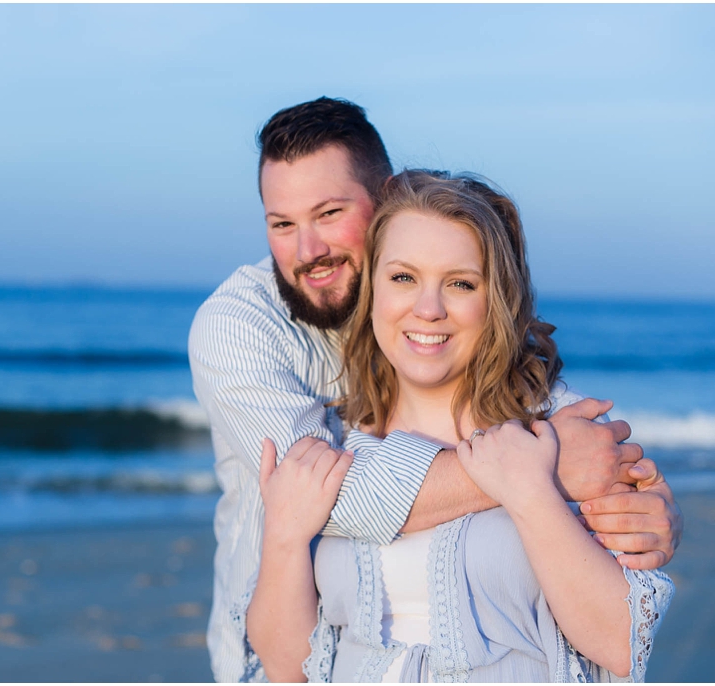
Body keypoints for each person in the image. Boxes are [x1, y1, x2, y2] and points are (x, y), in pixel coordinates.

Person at [187, 97, 682, 683]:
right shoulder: (249, 332)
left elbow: (623, 638)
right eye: (282, 223)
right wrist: (533, 468)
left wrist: (648, 512)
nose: (308, 250)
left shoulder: (558, 424)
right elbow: (337, 507)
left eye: (329, 213)